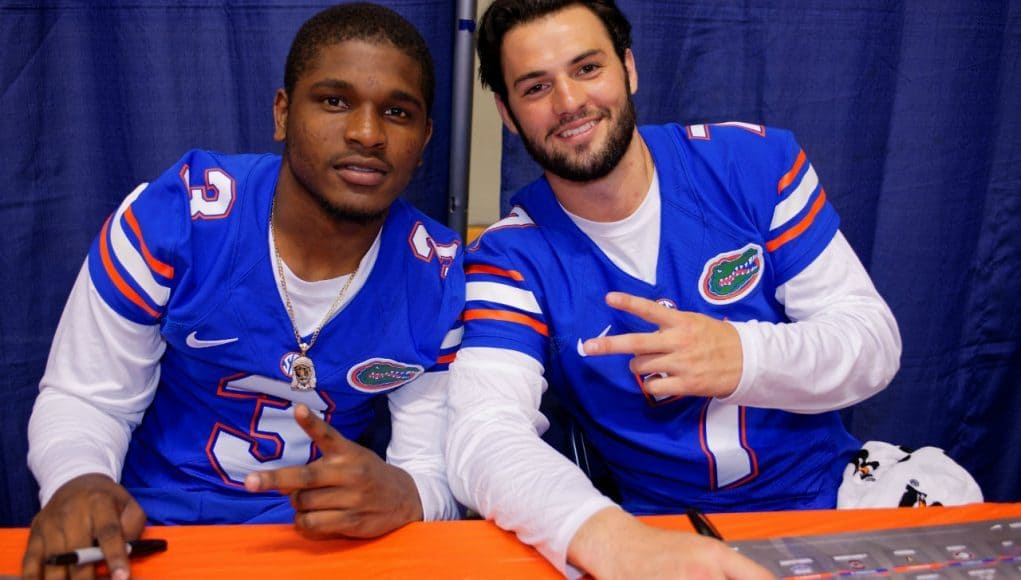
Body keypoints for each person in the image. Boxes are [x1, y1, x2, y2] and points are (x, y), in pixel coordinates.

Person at [446, 0, 901, 577]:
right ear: (508, 115)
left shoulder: (751, 162)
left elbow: (873, 340)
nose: (569, 103)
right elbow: (481, 433)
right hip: (655, 531)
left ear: (629, 69)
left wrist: (743, 356)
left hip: (831, 494)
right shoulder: (510, 257)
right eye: (536, 87)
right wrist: (610, 539)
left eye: (588, 69)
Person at [23, 3, 463, 578]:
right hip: (153, 529)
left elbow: (433, 467)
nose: (366, 133)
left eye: (397, 112)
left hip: (329, 545)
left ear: (426, 137)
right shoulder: (177, 218)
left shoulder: (439, 272)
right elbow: (88, 399)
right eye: (334, 101)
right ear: (283, 113)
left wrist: (410, 494)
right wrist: (80, 480)